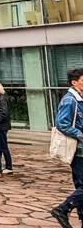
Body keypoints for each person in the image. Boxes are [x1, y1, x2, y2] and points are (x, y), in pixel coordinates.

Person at [50, 68, 83, 228]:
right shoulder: (70, 100)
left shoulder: (80, 99)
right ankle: (63, 208)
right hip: (78, 150)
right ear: (74, 82)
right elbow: (62, 123)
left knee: (81, 186)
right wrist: (80, 134)